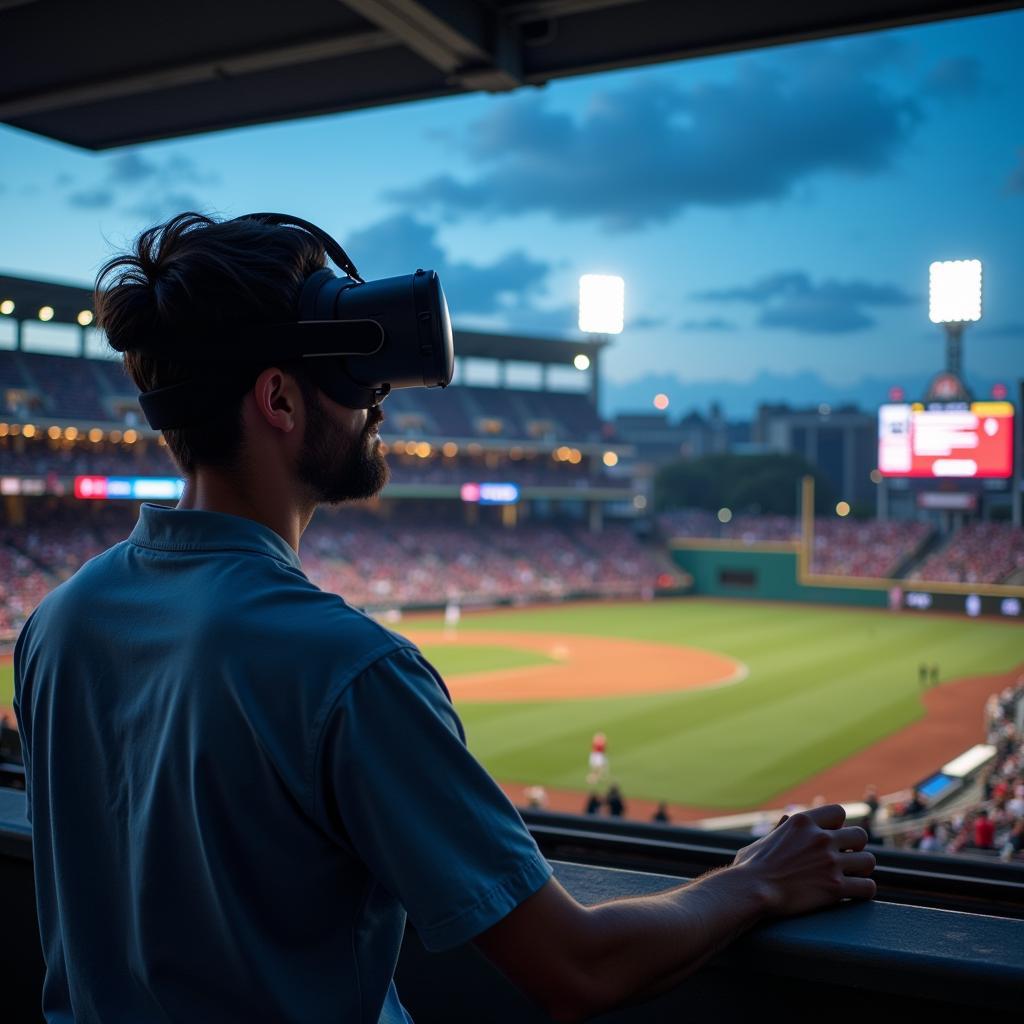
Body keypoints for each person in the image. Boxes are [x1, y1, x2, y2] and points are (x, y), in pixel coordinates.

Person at [15, 213, 877, 1024]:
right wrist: (755, 882)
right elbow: (577, 967)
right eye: (351, 376)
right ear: (278, 400)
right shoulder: (347, 669)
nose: (378, 401)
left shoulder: (56, 624)